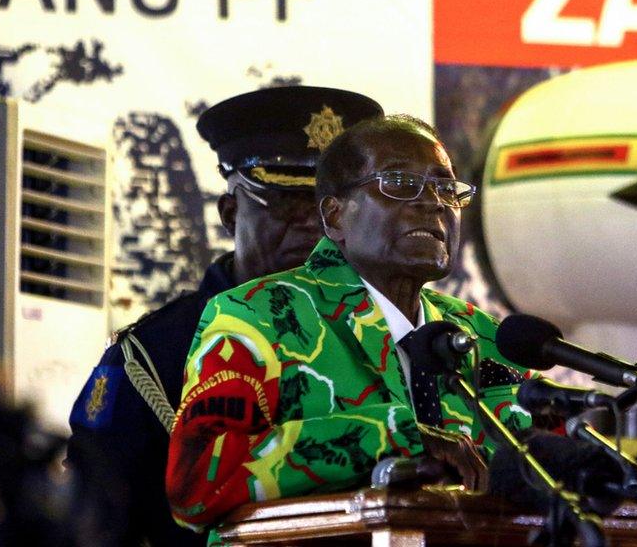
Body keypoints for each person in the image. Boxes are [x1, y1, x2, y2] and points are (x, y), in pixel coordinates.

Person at [165, 115, 533, 536]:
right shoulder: (258, 315)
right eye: (398, 183)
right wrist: (395, 435)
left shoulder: (483, 335)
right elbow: (195, 482)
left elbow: (534, 451)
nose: (433, 202)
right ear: (335, 216)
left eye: (447, 189)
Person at [66, 86, 384, 547]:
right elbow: (93, 523)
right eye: (288, 202)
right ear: (230, 213)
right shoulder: (155, 356)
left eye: (333, 208)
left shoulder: (391, 335)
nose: (315, 226)